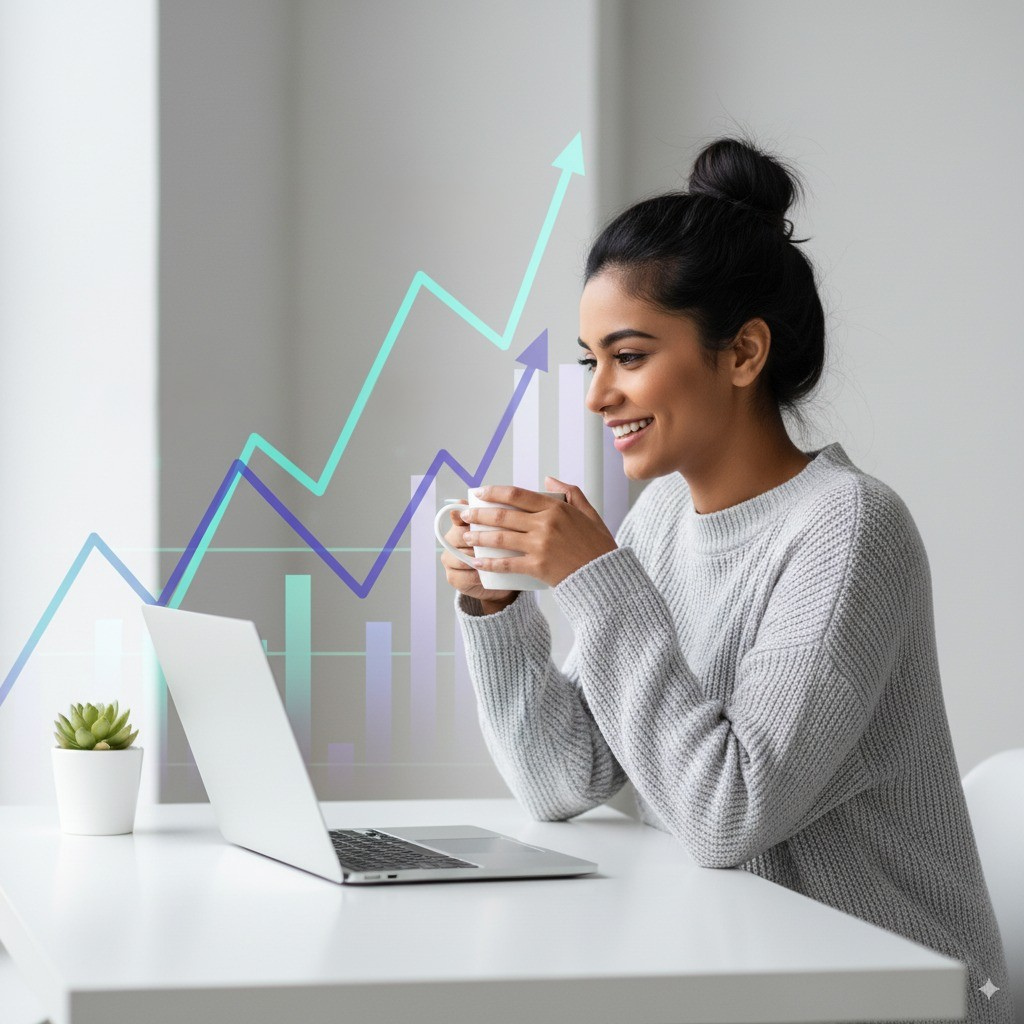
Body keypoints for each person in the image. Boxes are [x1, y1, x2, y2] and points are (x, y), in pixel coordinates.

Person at [438, 135, 1012, 1024]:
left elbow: (727, 815)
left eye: (628, 358)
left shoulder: (849, 527)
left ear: (742, 354)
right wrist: (497, 608)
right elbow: (562, 778)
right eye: (593, 362)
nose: (597, 396)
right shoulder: (664, 522)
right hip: (742, 963)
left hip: (883, 984)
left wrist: (596, 579)